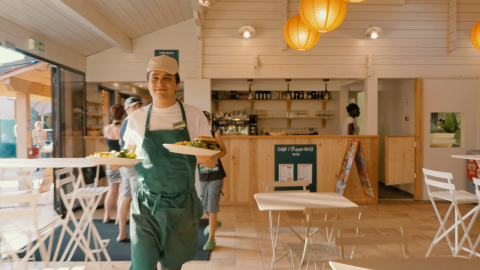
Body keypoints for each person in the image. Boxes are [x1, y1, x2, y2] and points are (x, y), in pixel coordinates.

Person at [114, 55, 216, 270]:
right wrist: (117, 161)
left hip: (181, 205)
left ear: (177, 83)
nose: (160, 83)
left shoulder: (195, 116)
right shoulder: (136, 118)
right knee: (142, 265)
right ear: (148, 83)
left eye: (167, 78)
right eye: (155, 78)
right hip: (146, 205)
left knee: (172, 266)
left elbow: (210, 159)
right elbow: (129, 154)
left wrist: (204, 156)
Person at [198, 111, 227, 251]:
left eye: (205, 120)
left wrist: (215, 156)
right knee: (204, 204)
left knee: (212, 204)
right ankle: (214, 222)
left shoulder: (215, 134)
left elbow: (224, 151)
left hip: (216, 175)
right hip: (202, 175)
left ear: (208, 121)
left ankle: (211, 239)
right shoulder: (195, 137)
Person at [117, 97, 142, 243]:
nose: (137, 108)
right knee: (134, 198)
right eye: (134, 106)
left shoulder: (125, 123)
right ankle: (135, 233)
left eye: (139, 105)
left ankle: (122, 233)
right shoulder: (131, 122)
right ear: (127, 109)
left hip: (124, 163)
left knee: (125, 197)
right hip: (130, 163)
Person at [103, 104, 125, 224]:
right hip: (122, 161)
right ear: (123, 115)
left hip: (110, 161)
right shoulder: (124, 128)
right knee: (122, 191)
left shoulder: (106, 129)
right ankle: (118, 218)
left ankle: (106, 216)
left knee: (112, 190)